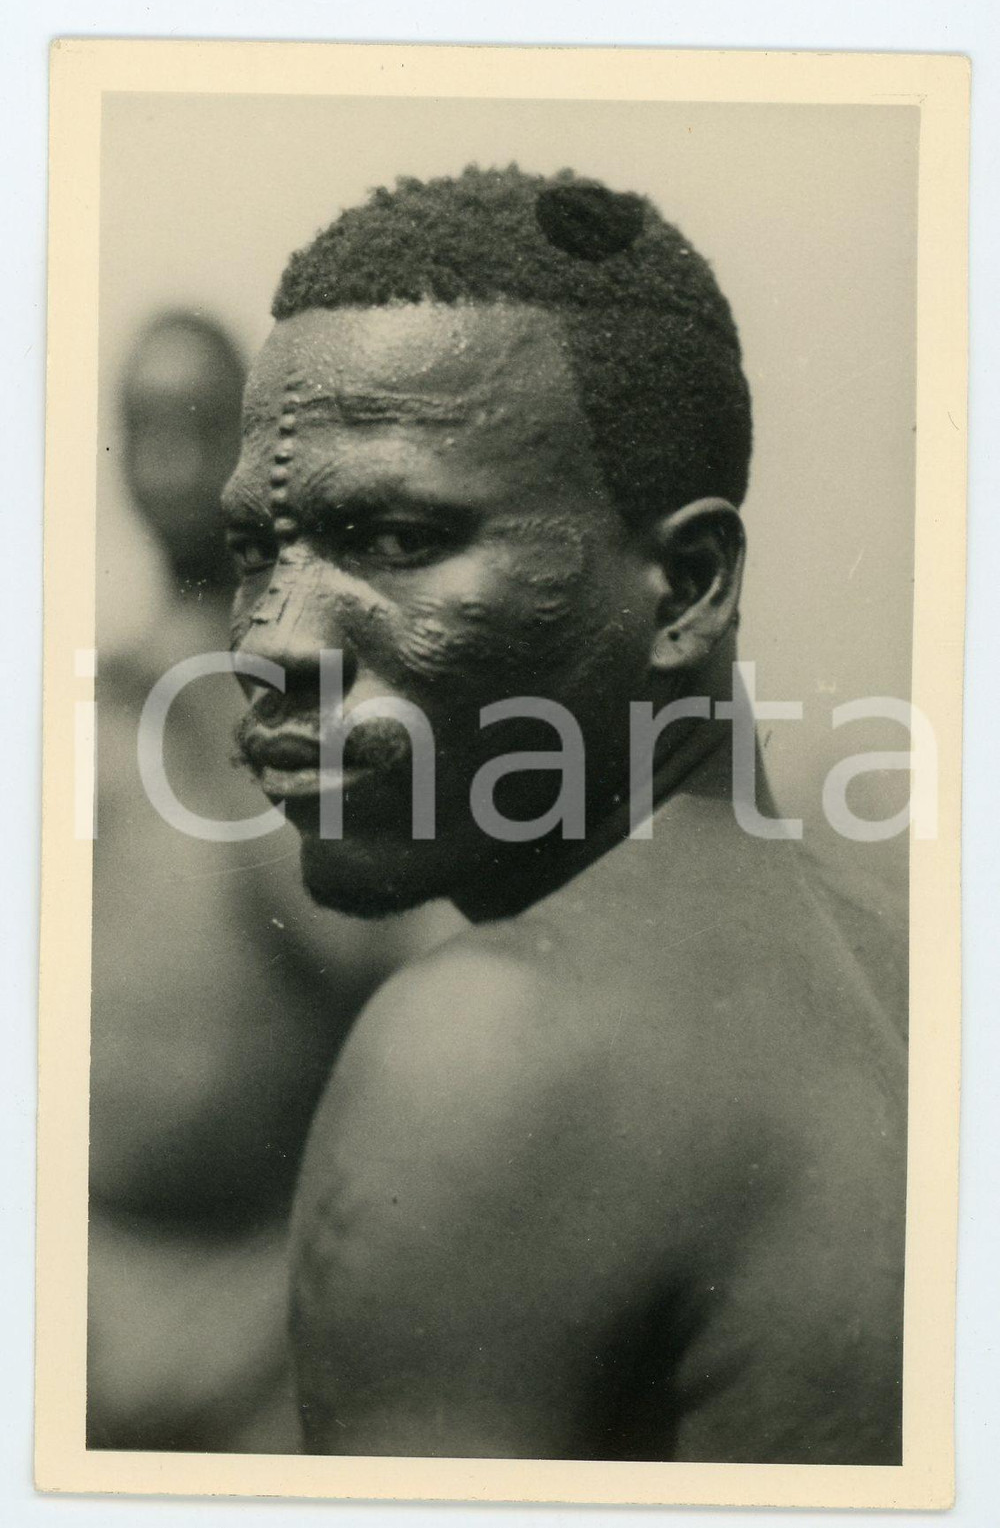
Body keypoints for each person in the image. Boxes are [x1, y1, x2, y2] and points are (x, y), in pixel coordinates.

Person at [220, 167, 906, 1463]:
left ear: (686, 588)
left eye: (394, 536)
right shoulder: (912, 956)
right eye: (257, 549)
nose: (271, 641)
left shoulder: (498, 1045)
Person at [88, 311, 455, 1450]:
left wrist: (210, 712)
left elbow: (368, 952)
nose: (169, 464)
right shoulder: (90, 693)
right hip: (92, 1276)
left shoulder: (321, 691)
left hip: (263, 1293)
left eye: (199, 430)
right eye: (144, 430)